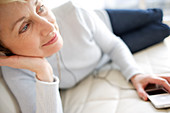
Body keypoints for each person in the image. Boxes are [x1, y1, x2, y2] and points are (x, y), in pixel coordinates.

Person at [0, 0, 169, 113]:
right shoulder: (15, 70)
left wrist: (136, 74)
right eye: (24, 27)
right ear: (4, 50)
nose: (49, 26)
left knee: (156, 15)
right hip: (103, 56)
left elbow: (113, 44)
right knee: (162, 30)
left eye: (40, 8)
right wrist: (43, 72)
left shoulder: (74, 13)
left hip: (102, 23)